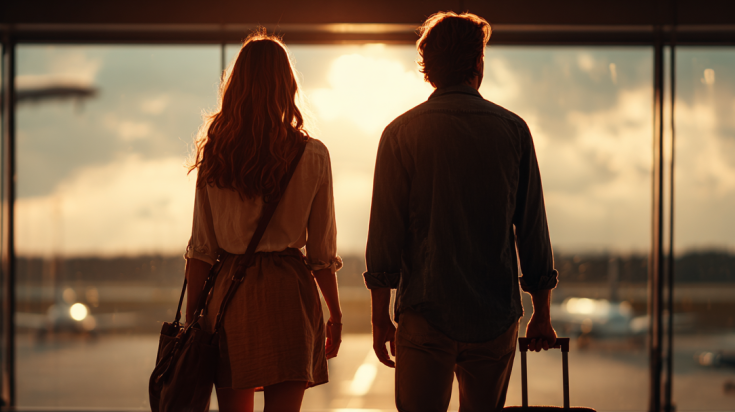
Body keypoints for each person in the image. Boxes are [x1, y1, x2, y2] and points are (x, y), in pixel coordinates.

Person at [363, 12, 560, 412]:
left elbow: (386, 233)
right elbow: (533, 228)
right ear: (478, 63)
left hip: (424, 312)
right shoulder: (513, 131)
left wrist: (380, 316)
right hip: (494, 315)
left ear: (428, 68)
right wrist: (541, 312)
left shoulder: (400, 133)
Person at [183, 32, 344, 412]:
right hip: (289, 294)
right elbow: (321, 254)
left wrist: (193, 322)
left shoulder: (216, 158)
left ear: (236, 87)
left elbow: (202, 251)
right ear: (287, 86)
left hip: (229, 298)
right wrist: (334, 314)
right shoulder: (313, 155)